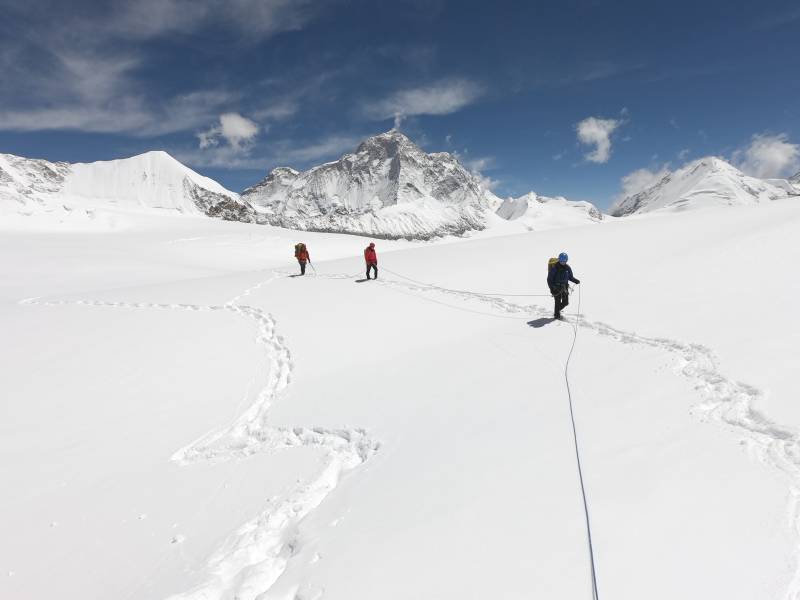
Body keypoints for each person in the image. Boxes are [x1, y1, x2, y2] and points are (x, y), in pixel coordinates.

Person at [548, 252, 580, 319]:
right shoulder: (554, 268)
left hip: (564, 287)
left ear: (566, 260)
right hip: (556, 287)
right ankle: (556, 315)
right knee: (557, 301)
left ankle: (557, 311)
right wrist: (552, 288)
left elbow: (570, 277)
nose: (563, 262)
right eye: (561, 261)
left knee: (566, 302)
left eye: (564, 261)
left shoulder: (567, 268)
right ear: (559, 259)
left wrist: (575, 281)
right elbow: (549, 279)